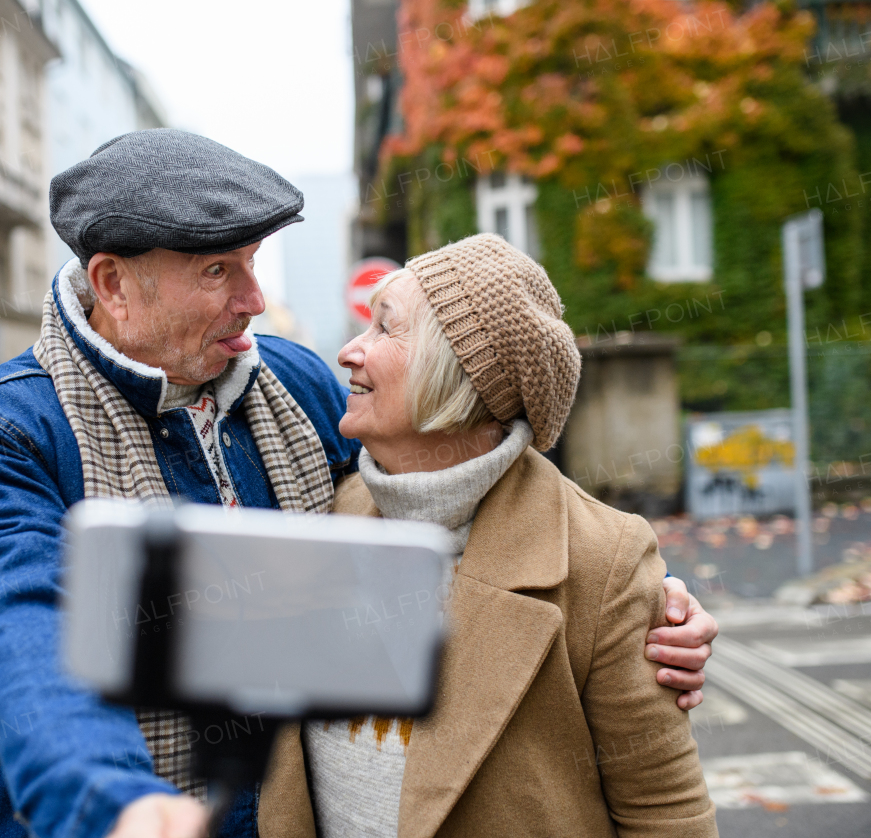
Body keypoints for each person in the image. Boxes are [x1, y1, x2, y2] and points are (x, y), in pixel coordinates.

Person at [0, 130, 719, 838]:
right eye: (218, 271)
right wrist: (114, 802)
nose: (255, 301)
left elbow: (459, 477)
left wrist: (638, 595)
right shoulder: (1, 435)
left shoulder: (294, 388)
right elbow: (20, 642)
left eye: (252, 264)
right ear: (114, 284)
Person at [259, 234, 718, 838]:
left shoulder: (601, 557)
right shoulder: (332, 509)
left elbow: (666, 813)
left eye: (384, 330)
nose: (349, 352)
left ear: (459, 377)